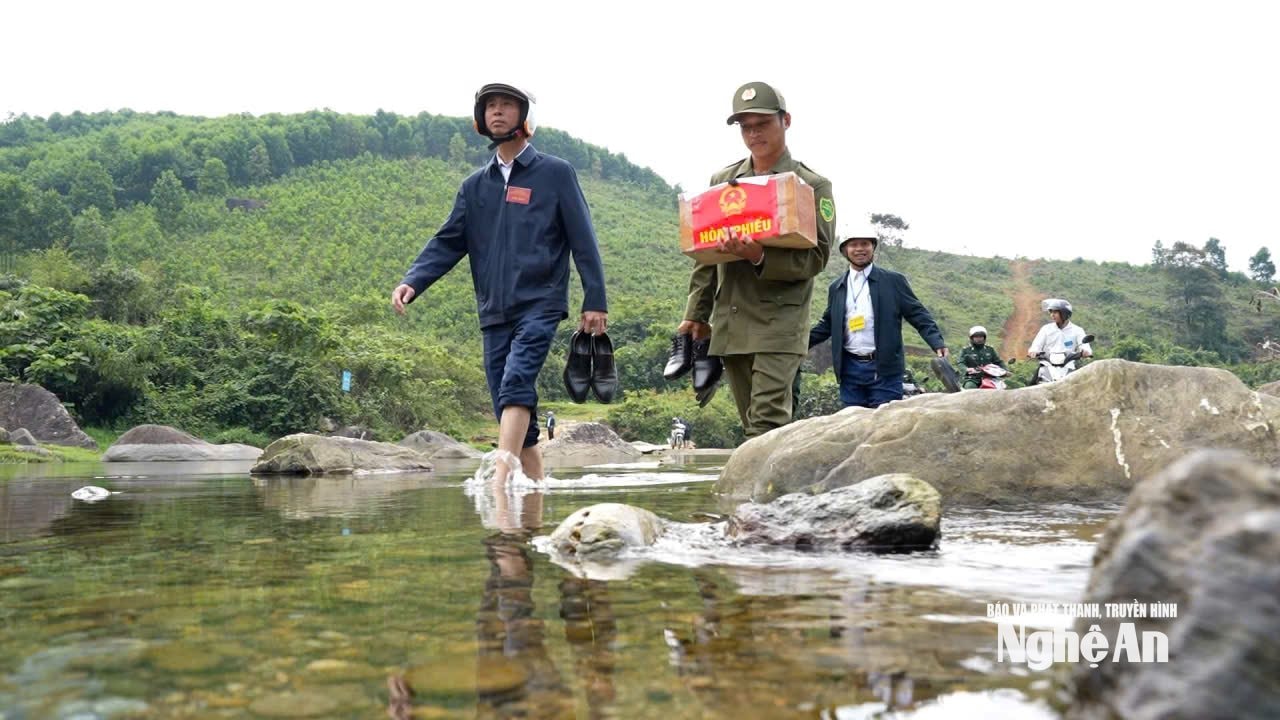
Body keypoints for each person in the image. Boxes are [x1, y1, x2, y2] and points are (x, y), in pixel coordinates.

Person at [392, 83, 608, 483]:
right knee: (509, 406)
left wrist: (595, 299)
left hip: (540, 302)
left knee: (516, 382)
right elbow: (448, 240)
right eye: (490, 106)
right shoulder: (475, 186)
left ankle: (499, 484)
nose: (496, 111)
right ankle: (535, 495)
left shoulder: (556, 173)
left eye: (506, 105)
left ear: (525, 117)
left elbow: (584, 238)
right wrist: (414, 280)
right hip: (493, 310)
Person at [677, 81, 836, 439]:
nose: (753, 134)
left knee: (767, 425)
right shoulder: (724, 181)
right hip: (732, 322)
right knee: (753, 427)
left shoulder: (810, 184)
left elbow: (816, 258)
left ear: (786, 121)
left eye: (762, 124)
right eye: (745, 127)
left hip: (779, 324)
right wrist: (696, 314)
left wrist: (759, 254)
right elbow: (705, 257)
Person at [809, 227, 948, 408]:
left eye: (865, 244)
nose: (860, 249)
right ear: (844, 250)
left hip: (884, 370)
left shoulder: (893, 281)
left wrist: (937, 342)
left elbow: (917, 314)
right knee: (853, 421)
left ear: (873, 247)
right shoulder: (837, 287)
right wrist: (800, 345)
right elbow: (827, 324)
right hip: (849, 370)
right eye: (854, 245)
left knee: (885, 421)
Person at [1027, 298, 1092, 381]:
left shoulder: (1077, 330)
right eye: (1051, 312)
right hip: (1047, 364)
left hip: (1068, 365)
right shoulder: (1046, 329)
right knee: (1032, 385)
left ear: (1065, 313)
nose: (1052, 315)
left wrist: (1086, 351)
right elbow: (1036, 345)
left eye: (1055, 312)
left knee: (1082, 384)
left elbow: (1085, 346)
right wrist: (1033, 351)